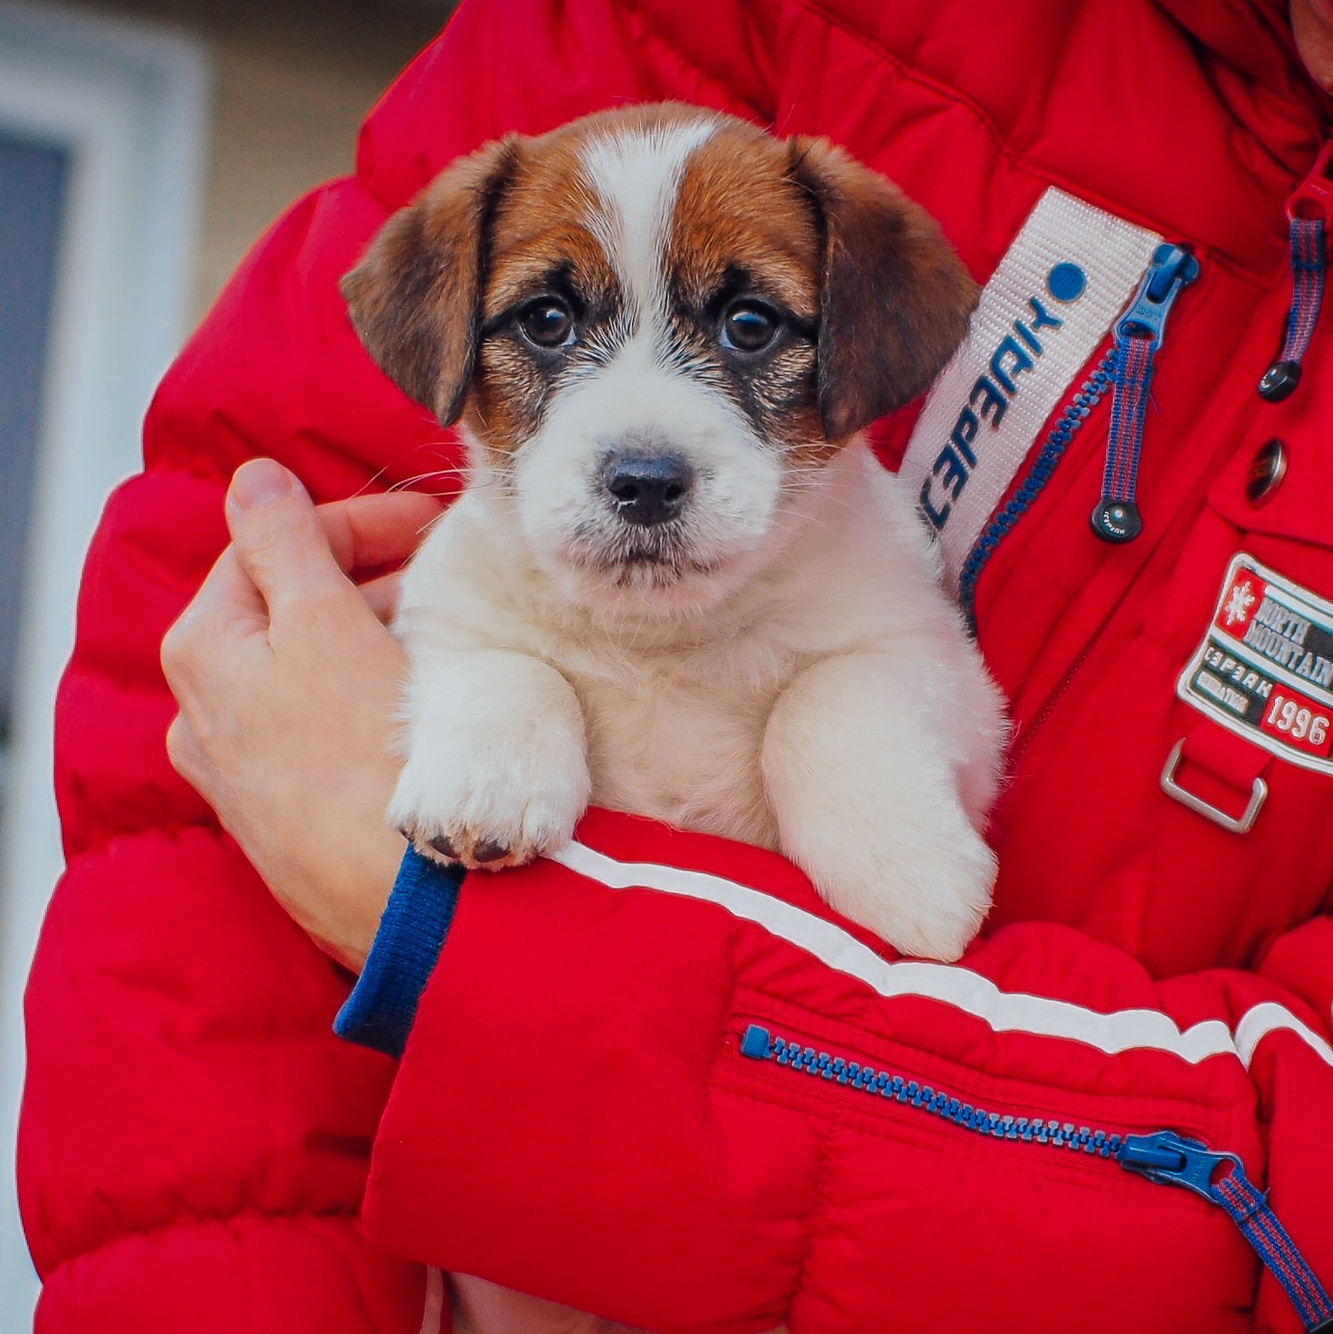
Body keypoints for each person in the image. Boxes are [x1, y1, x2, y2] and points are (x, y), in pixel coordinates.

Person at [19, 0, 1333, 1330]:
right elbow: (345, 674)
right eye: (545, 325)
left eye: (750, 330)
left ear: (859, 343)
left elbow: (919, 728)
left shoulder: (857, 573)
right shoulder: (471, 560)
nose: (643, 437)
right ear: (445, 342)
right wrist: (498, 705)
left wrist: (841, 750)